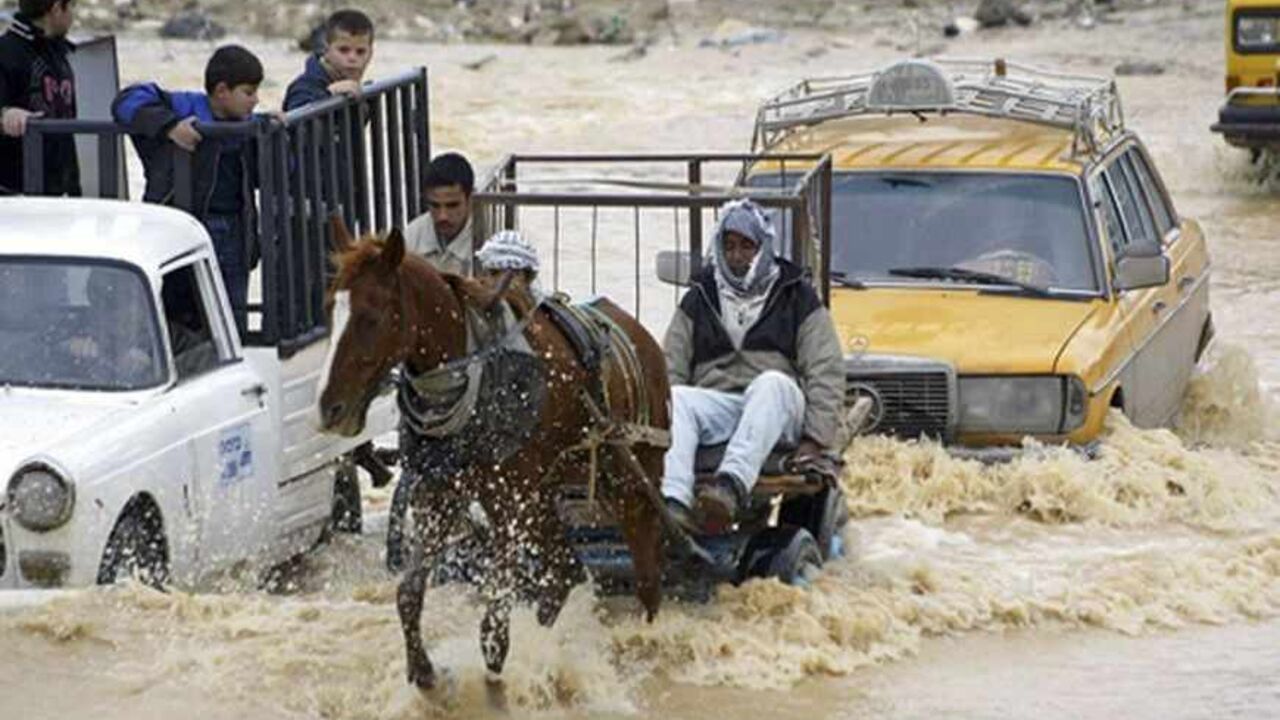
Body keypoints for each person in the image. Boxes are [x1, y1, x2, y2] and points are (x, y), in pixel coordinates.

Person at [661, 199, 845, 534]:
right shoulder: (700, 296)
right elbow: (671, 363)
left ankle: (730, 486)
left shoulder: (796, 295)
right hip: (723, 407)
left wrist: (815, 440)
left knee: (771, 383)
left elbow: (825, 368)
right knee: (678, 397)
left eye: (747, 246)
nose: (737, 255)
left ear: (763, 248)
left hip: (780, 409)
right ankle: (674, 502)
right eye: (729, 246)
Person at [112, 45, 270, 335]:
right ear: (222, 91)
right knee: (179, 320)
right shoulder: (183, 107)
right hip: (182, 229)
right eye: (249, 92)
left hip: (236, 230)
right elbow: (125, 100)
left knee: (232, 322)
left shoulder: (247, 125)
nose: (255, 101)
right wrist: (170, 126)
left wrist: (273, 130)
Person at [0, 0, 78, 196]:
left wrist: (74, 188)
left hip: (59, 193)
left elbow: (68, 126)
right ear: (56, 9)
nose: (74, 15)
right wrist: (5, 114)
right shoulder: (5, 52)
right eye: (72, 6)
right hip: (13, 197)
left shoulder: (59, 54)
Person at [283, 8, 375, 110]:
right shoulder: (304, 88)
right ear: (326, 51)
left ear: (370, 54)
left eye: (360, 51)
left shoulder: (363, 89)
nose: (352, 58)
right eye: (343, 50)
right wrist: (329, 95)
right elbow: (298, 122)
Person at [403, 152, 476, 275]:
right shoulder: (412, 236)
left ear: (470, 200)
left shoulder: (486, 241)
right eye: (435, 206)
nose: (443, 216)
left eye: (452, 205)